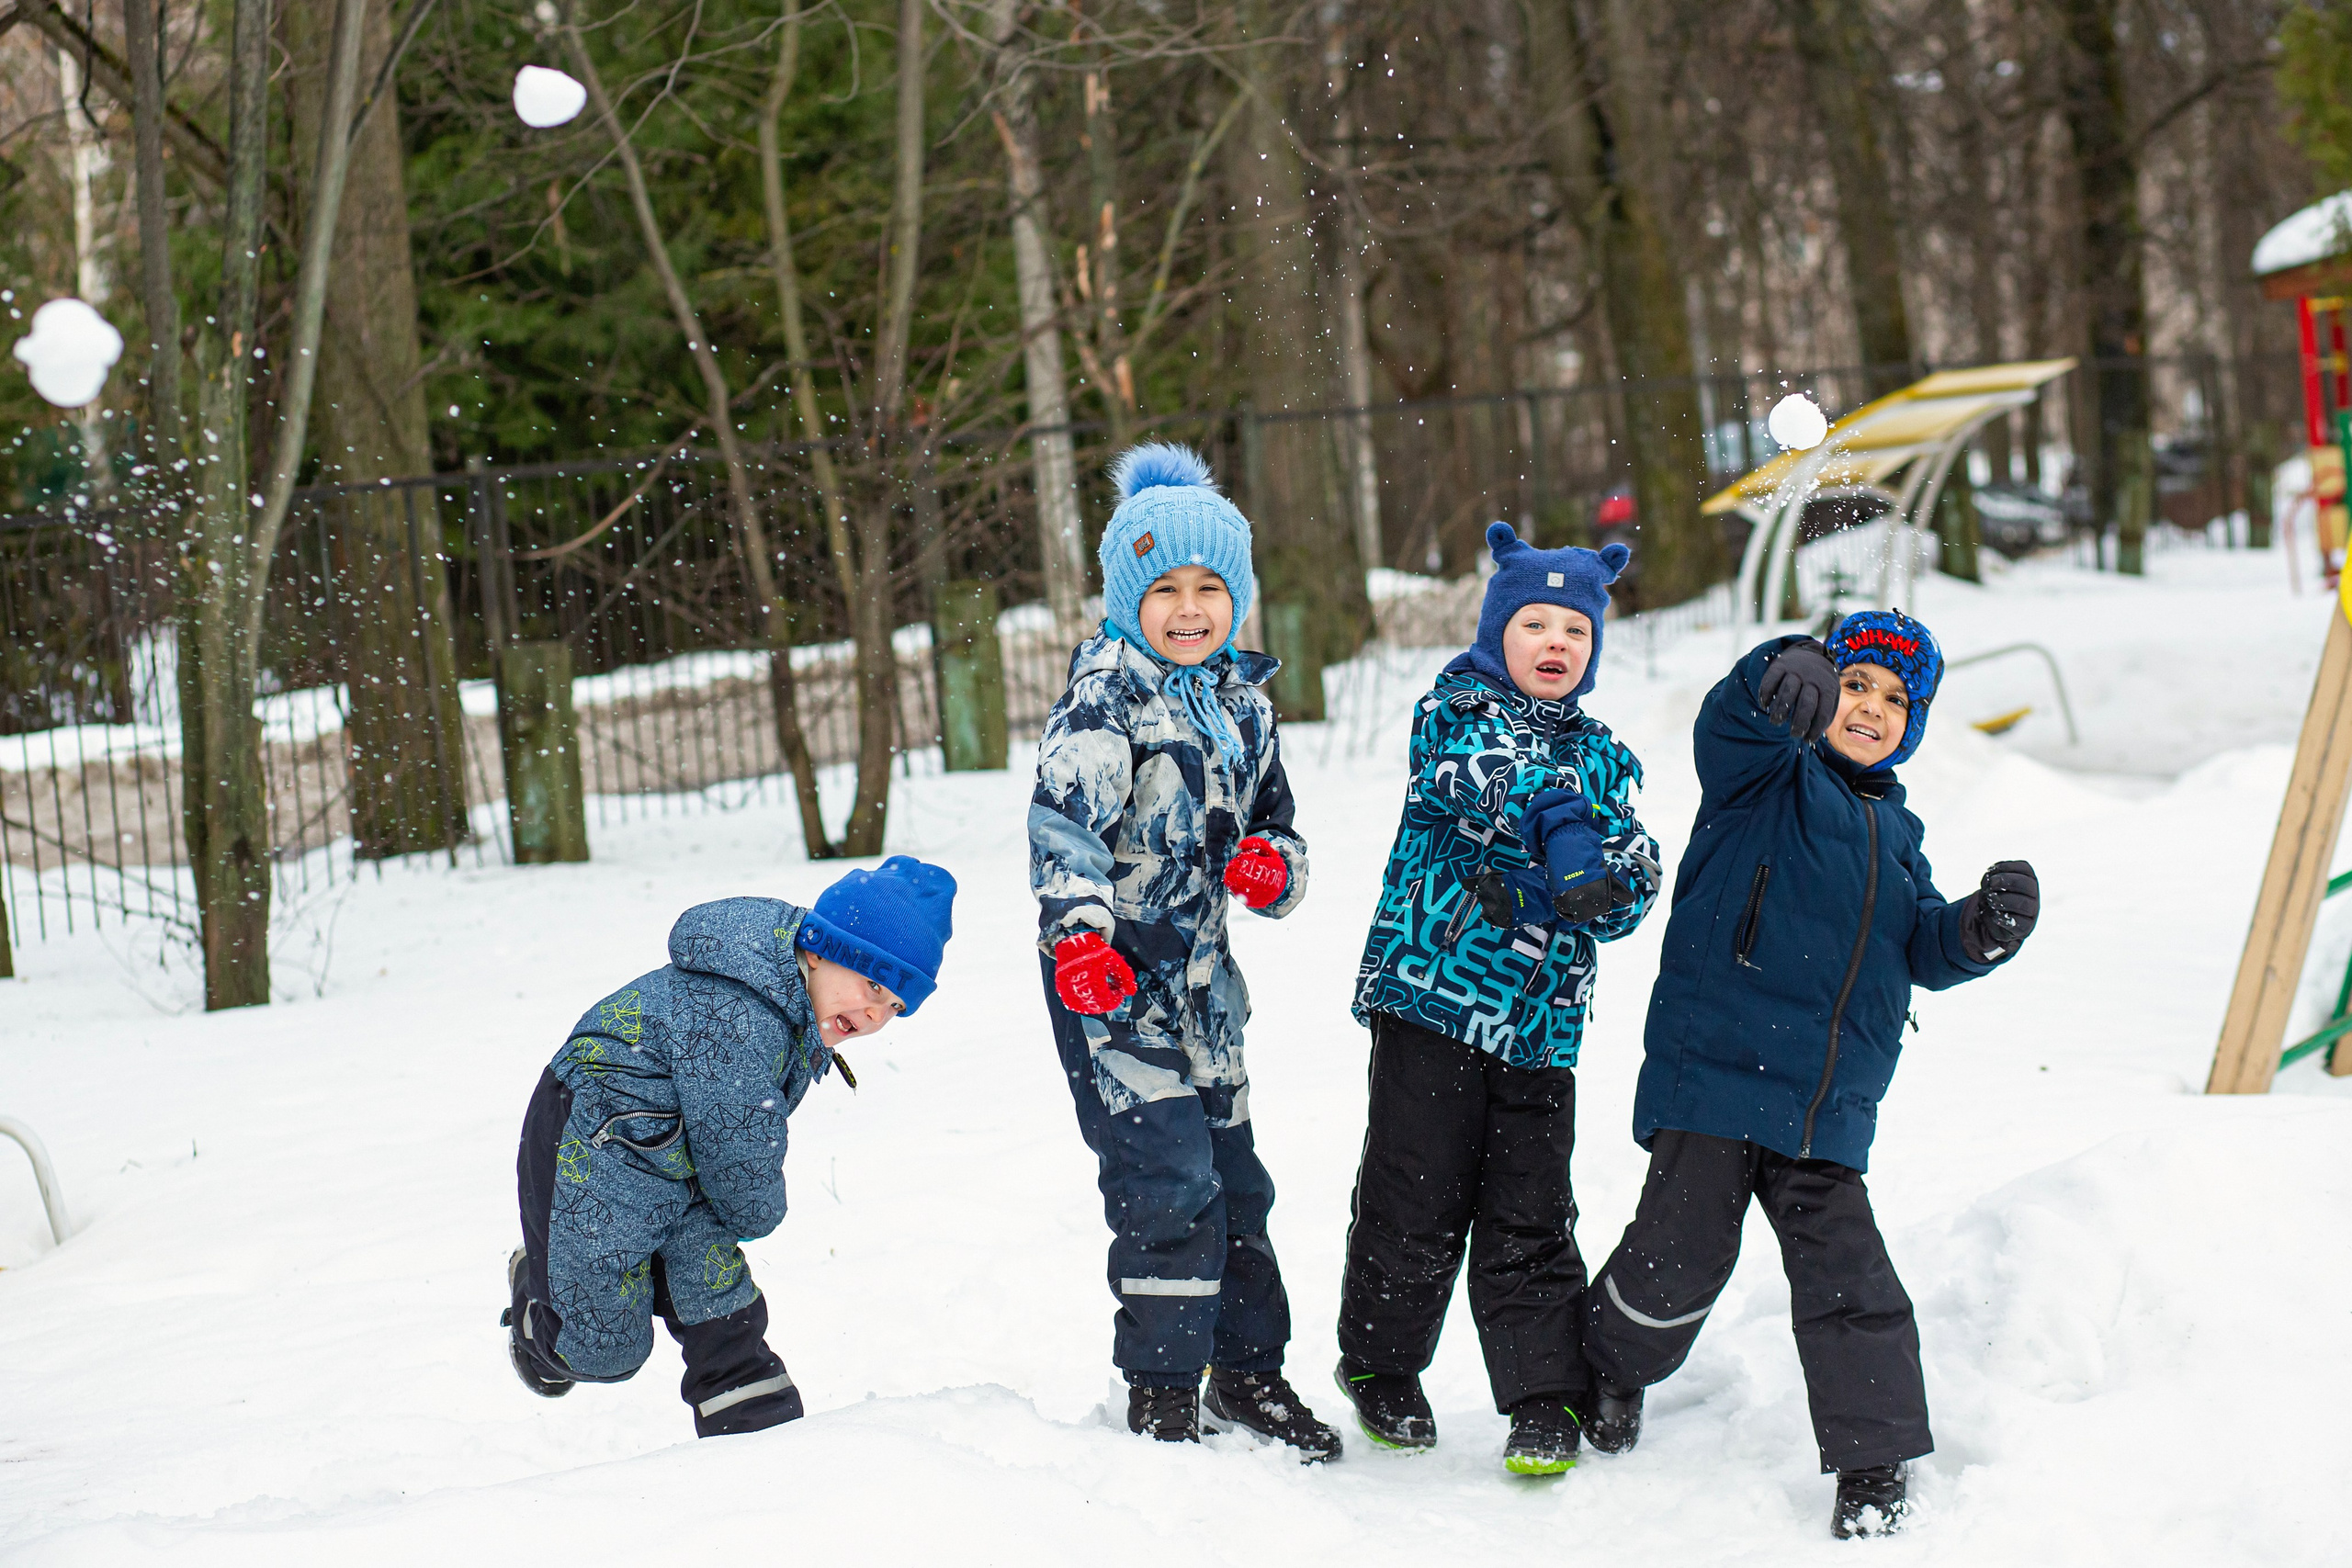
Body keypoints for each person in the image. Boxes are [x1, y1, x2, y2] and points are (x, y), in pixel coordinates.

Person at [1579, 610, 2041, 1538]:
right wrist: (1774, 671)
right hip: (1714, 1072)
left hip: (1824, 1108)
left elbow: (1921, 943)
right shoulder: (1763, 774)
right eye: (1854, 683)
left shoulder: (1895, 832)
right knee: (1679, 1259)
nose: (1868, 706)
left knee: (1851, 1279)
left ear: (1910, 726)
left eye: (1893, 698)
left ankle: (1873, 1463)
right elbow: (1731, 721)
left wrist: (1979, 931)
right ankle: (1607, 1368)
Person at [1031, 442, 1340, 1461]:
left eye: (1210, 587)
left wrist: (1271, 871)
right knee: (1167, 1182)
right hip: (1109, 983)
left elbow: (1280, 832)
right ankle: (1162, 1385)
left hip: (1204, 984)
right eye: (1164, 588)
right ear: (1128, 596)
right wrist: (1078, 941)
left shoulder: (1244, 703)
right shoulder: (1106, 694)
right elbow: (1064, 830)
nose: (1190, 607)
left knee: (1238, 1187)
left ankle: (1249, 1373)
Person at [1338, 522, 1662, 1476]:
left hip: (1540, 1024)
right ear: (1496, 631)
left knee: (1530, 1210)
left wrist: (1598, 887)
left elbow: (1635, 865)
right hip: (1432, 1000)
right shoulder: (1453, 714)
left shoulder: (1603, 755)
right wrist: (1555, 832)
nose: (1555, 643)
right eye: (1534, 624)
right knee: (1416, 1197)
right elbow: (1487, 779)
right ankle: (1382, 1366)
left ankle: (1539, 1396)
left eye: (1575, 628)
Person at [503, 858, 956, 1437]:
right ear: (818, 950)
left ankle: (758, 1442)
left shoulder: (796, 1003)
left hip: (677, 1155)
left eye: (894, 1005)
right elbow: (738, 1144)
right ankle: (534, 1307)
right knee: (601, 1347)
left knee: (717, 1296)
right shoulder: (740, 1014)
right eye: (872, 983)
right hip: (595, 1139)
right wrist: (757, 1210)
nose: (873, 1015)